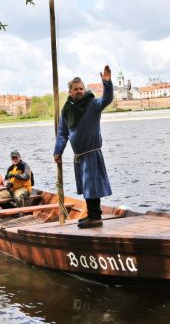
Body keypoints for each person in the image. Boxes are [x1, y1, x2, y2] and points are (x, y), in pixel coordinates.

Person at [53, 65, 113, 228]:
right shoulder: (67, 111)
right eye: (76, 89)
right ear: (70, 92)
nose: (79, 91)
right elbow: (62, 133)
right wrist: (58, 151)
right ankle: (91, 214)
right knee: (86, 186)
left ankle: (95, 217)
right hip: (79, 156)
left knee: (91, 184)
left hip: (92, 153)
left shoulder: (92, 104)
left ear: (84, 89)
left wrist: (106, 82)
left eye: (81, 88)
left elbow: (106, 99)